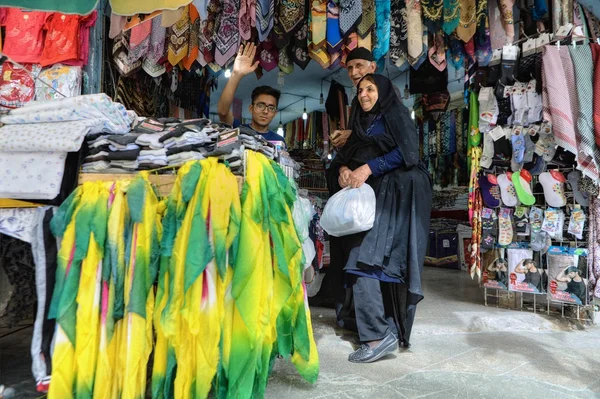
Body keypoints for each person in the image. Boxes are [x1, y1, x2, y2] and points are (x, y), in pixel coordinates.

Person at [327, 74, 432, 363]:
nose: (363, 94)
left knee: (365, 259)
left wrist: (368, 168)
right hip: (374, 199)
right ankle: (379, 329)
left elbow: (408, 152)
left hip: (399, 198)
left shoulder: (395, 115)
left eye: (370, 89)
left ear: (383, 92)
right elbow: (348, 155)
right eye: (360, 90)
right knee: (367, 259)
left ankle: (376, 337)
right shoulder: (361, 124)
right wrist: (345, 170)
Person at [217, 42, 285, 148]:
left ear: (275, 113)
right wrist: (236, 74)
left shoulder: (279, 141)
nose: (265, 111)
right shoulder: (238, 131)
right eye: (261, 105)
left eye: (271, 108)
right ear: (251, 108)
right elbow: (223, 111)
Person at [330, 47, 401, 148]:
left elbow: (395, 134)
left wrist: (351, 135)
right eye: (349, 68)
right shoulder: (356, 100)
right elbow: (356, 131)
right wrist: (343, 137)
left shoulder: (388, 91)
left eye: (359, 66)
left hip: (383, 160)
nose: (353, 73)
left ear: (372, 67)